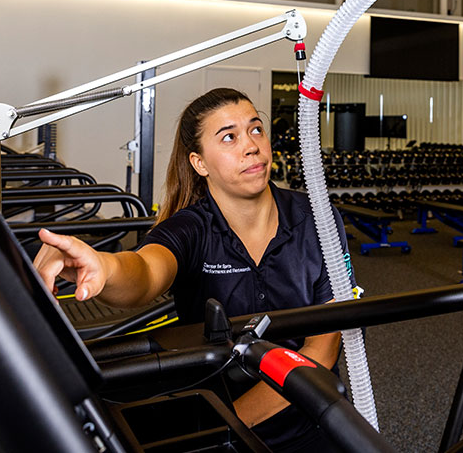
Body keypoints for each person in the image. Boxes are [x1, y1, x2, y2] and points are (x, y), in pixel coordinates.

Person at [33, 87, 350, 452]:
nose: (251, 146)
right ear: (199, 163)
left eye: (256, 129)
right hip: (218, 421)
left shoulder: (317, 219)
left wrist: (230, 422)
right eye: (229, 137)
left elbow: (322, 351)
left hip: (308, 415)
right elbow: (145, 271)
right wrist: (102, 265)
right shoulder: (193, 228)